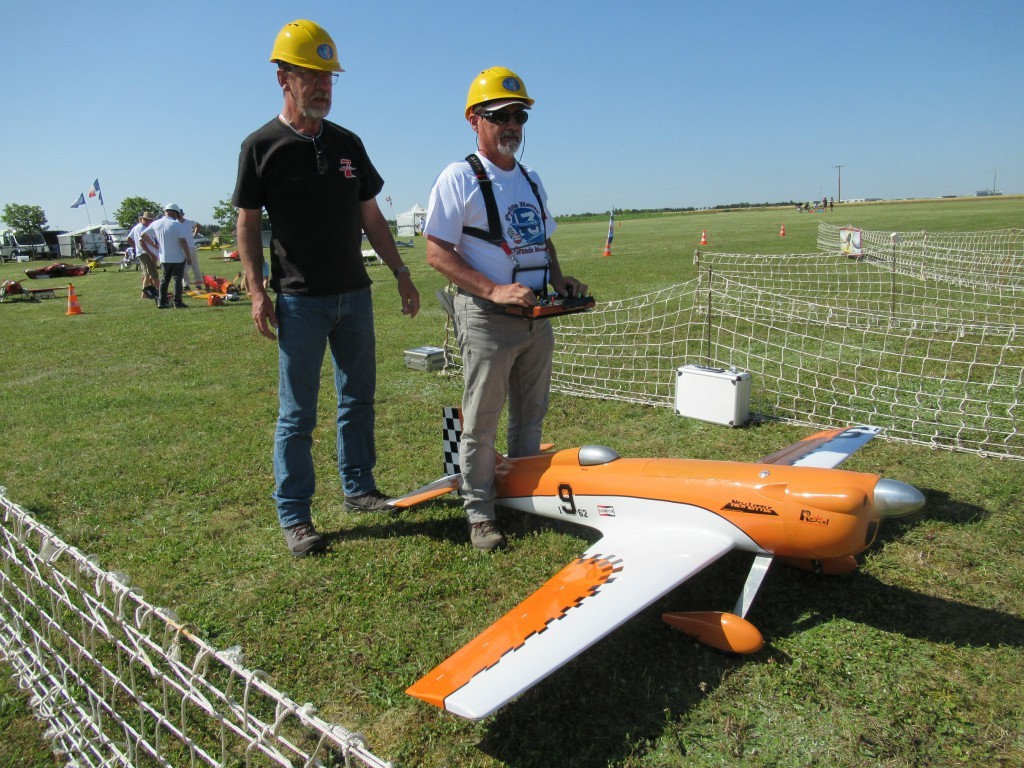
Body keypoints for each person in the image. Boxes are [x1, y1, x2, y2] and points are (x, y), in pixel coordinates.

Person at [232, 19, 420, 557]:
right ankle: (295, 516)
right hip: (299, 301)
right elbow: (247, 222)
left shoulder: (347, 144)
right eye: (311, 76)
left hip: (353, 297)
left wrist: (401, 273)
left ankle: (359, 488)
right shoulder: (260, 146)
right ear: (283, 79)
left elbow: (373, 218)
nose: (322, 86)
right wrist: (256, 290)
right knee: (298, 414)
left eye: (329, 77)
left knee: (358, 398)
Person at [423, 66, 587, 551]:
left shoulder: (532, 180)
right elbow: (436, 252)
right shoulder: (459, 178)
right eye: (501, 116)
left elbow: (542, 239)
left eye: (520, 116)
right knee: (481, 420)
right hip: (488, 320)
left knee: (531, 415)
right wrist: (493, 291)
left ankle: (521, 498)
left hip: (537, 319)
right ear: (475, 119)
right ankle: (479, 512)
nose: (512, 124)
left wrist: (560, 280)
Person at [141, 204, 196, 308]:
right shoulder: (177, 224)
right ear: (175, 213)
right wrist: (188, 256)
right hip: (178, 257)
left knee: (164, 280)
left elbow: (143, 235)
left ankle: (162, 302)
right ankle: (177, 302)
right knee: (177, 280)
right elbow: (183, 242)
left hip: (164, 258)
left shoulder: (155, 223)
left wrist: (154, 245)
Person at [127, 211, 160, 299]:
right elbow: (142, 242)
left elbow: (129, 239)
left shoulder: (136, 227)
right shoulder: (142, 228)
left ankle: (147, 293)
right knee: (153, 274)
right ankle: (159, 291)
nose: (149, 222)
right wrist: (150, 253)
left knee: (146, 274)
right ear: (143, 219)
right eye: (148, 220)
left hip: (143, 253)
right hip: (146, 253)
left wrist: (135, 248)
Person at [179, 208, 203, 289]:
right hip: (181, 248)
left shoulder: (189, 222)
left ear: (183, 214)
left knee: (195, 266)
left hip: (191, 247)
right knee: (183, 268)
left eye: (180, 214)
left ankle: (198, 284)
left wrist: (194, 234)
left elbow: (198, 225)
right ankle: (186, 284)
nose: (179, 216)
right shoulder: (175, 224)